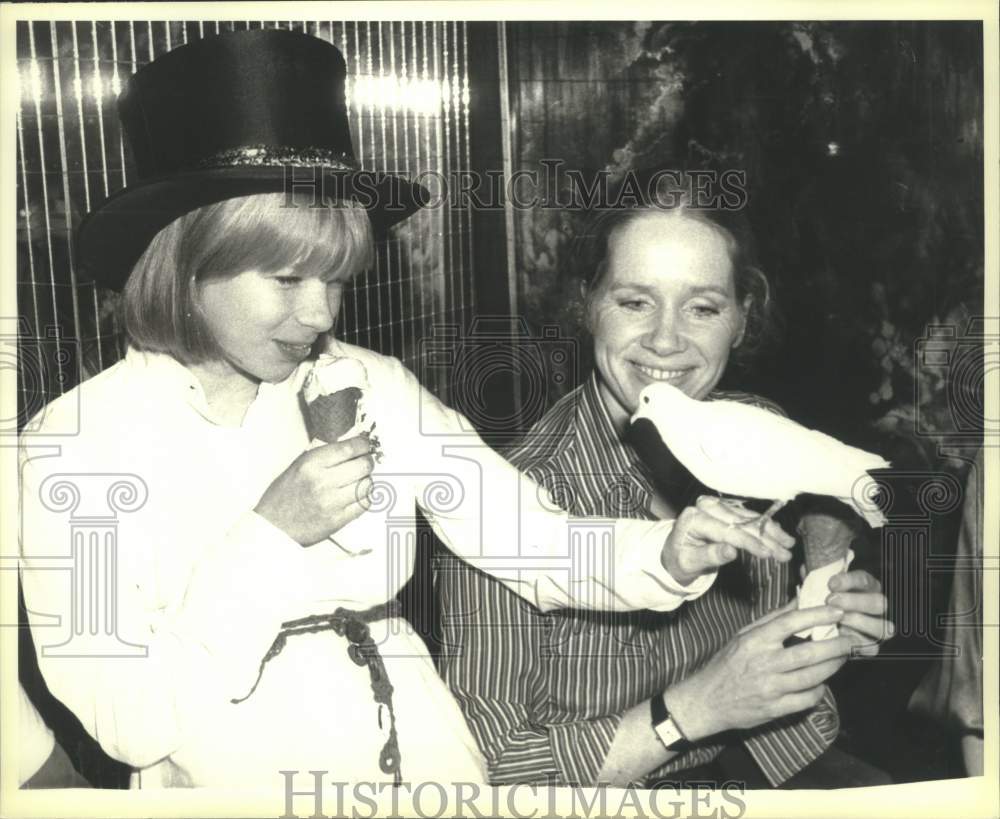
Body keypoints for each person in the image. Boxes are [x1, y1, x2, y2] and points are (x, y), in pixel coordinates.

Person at [16, 32, 790, 789]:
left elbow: (534, 540)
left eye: (340, 279)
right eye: (289, 279)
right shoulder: (72, 448)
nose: (321, 315)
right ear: (188, 265)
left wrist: (669, 554)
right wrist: (272, 536)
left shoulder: (372, 385)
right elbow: (129, 719)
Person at [436, 175, 895, 788]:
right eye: (634, 301)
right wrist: (694, 711)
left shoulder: (757, 437)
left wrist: (821, 621)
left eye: (702, 307)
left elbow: (764, 661)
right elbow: (488, 772)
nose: (665, 340)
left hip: (765, 769)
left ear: (741, 319)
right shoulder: (500, 504)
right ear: (587, 303)